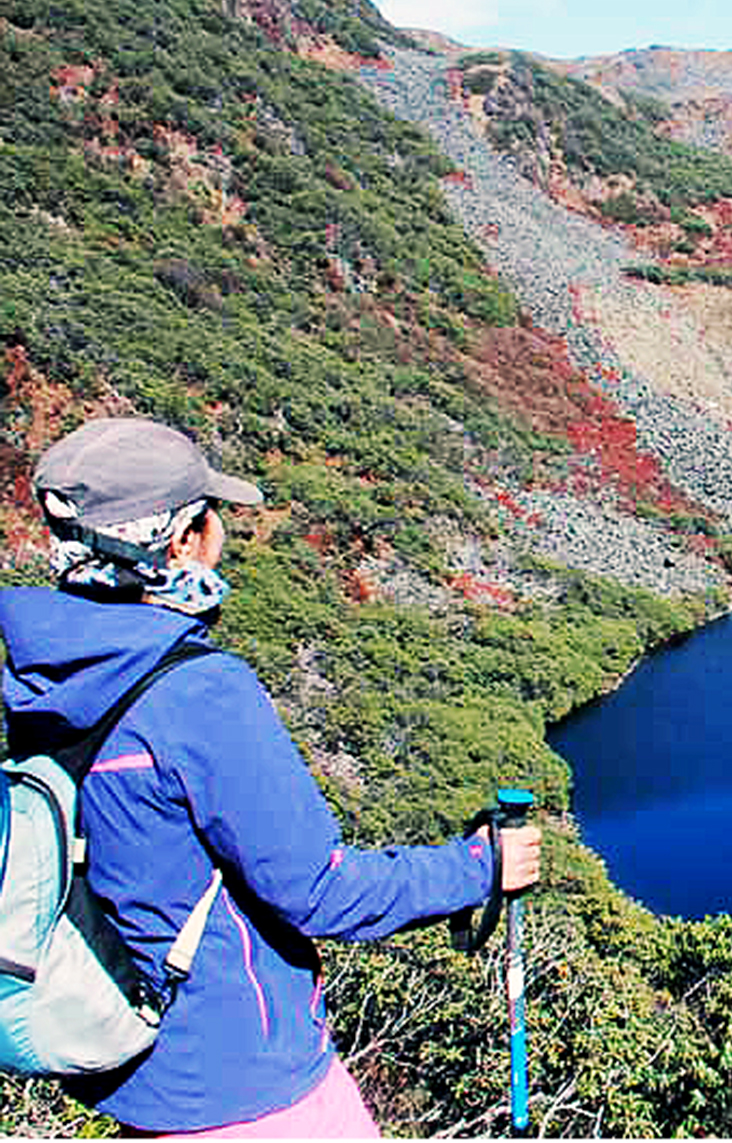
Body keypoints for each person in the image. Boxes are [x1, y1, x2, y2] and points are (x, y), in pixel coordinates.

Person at [0, 417, 541, 1138]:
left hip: (130, 1068)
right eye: (209, 515)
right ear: (181, 540)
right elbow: (318, 890)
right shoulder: (197, 693)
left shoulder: (43, 675)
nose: (221, 532)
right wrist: (479, 867)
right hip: (247, 1085)